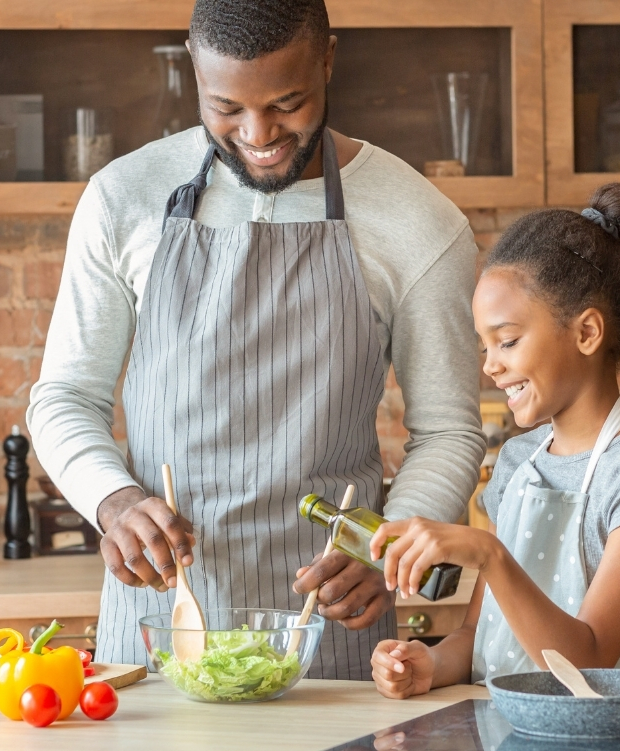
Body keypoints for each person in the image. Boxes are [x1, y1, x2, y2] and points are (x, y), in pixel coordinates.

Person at [27, 0, 486, 679]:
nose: (258, 132)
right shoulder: (122, 197)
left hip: (332, 636)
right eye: (227, 108)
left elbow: (449, 430)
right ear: (193, 68)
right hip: (160, 631)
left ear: (329, 59)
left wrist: (387, 549)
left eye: (287, 103)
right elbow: (64, 395)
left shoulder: (419, 221)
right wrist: (113, 500)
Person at [370, 183, 620, 698]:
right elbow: (480, 638)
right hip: (498, 727)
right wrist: (429, 664)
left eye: (508, 340)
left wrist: (490, 554)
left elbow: (588, 661)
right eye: (484, 345)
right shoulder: (519, 462)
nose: (490, 365)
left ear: (586, 332)